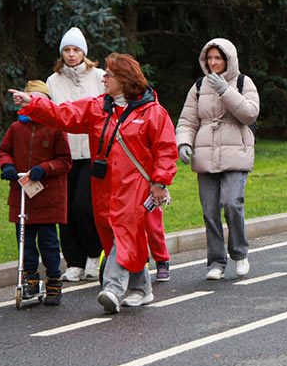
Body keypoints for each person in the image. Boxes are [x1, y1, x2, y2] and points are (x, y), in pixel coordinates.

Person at [9, 53, 178, 313]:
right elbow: (64, 115)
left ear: (125, 80)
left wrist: (160, 182)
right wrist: (32, 103)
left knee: (124, 233)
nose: (104, 78)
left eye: (110, 74)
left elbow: (166, 149)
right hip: (103, 186)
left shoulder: (154, 113)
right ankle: (141, 289)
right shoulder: (98, 107)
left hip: (135, 186)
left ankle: (111, 288)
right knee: (115, 236)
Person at [176, 38, 260, 281]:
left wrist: (225, 90)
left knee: (232, 203)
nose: (213, 63)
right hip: (206, 153)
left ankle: (240, 252)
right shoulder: (199, 85)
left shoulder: (244, 82)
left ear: (228, 60)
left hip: (236, 152)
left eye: (218, 58)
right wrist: (183, 142)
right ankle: (216, 261)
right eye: (209, 58)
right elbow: (188, 119)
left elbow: (249, 114)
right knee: (210, 210)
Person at [0, 80, 72, 306]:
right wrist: (7, 166)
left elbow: (65, 162)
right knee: (25, 241)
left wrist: (44, 169)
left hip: (48, 197)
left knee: (48, 242)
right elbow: (4, 151)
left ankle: (53, 280)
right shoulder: (16, 128)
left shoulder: (55, 128)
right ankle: (30, 277)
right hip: (23, 198)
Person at [46, 27, 105, 282]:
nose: (71, 55)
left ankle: (94, 254)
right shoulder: (53, 81)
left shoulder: (100, 77)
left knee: (85, 206)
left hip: (92, 152)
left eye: (76, 50)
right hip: (65, 154)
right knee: (65, 209)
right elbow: (51, 115)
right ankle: (74, 261)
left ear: (84, 52)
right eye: (67, 50)